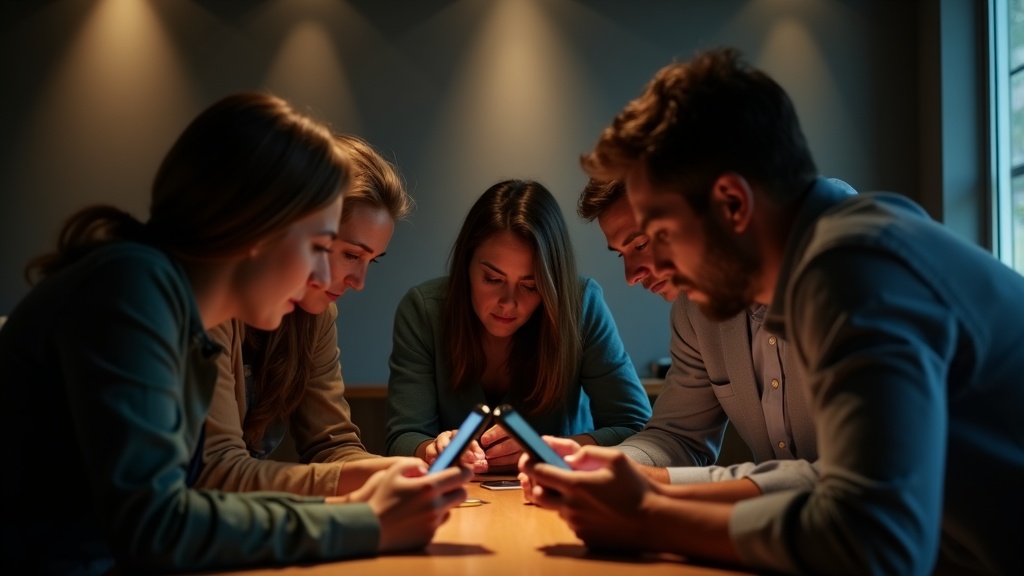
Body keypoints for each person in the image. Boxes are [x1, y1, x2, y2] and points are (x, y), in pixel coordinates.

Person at [520, 47, 1024, 575]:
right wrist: (644, 495)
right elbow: (830, 485)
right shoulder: (829, 260)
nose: (655, 264)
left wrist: (646, 519)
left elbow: (875, 545)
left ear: (733, 204)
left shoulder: (854, 267)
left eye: (661, 234)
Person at [0, 93, 470, 575]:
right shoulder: (132, 289)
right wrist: (366, 522)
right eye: (319, 245)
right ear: (254, 230)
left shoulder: (163, 298)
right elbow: (157, 525)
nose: (318, 274)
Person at [196, 134, 414, 497]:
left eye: (370, 260)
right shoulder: (208, 304)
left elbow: (332, 443)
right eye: (349, 254)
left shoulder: (316, 316)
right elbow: (216, 473)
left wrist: (391, 471)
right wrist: (360, 491)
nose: (358, 282)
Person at [385, 179, 652, 474]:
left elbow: (636, 427)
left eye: (531, 285)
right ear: (465, 266)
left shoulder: (580, 305)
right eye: (493, 279)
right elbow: (403, 437)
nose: (508, 303)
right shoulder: (423, 311)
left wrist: (548, 450)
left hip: (559, 498)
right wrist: (432, 450)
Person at [575, 177, 818, 495]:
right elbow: (678, 437)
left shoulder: (849, 262)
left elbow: (860, 478)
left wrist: (653, 484)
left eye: (641, 244)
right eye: (623, 254)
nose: (631, 276)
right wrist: (604, 467)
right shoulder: (694, 309)